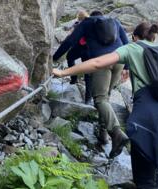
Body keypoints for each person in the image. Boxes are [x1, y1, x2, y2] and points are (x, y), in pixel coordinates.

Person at [52, 22, 158, 188]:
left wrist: (63, 72)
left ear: (135, 37)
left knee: (143, 178)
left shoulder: (132, 48)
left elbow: (97, 63)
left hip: (146, 118)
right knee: (153, 170)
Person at [53, 10, 130, 158]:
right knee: (105, 97)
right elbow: (126, 43)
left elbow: (70, 41)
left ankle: (117, 133)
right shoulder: (114, 21)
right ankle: (103, 135)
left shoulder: (86, 23)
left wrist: (55, 58)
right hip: (118, 60)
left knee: (100, 99)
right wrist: (127, 67)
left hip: (101, 62)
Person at [62, 10, 92, 104]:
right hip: (89, 50)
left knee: (70, 58)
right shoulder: (92, 24)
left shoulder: (77, 24)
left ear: (78, 17)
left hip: (79, 49)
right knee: (88, 73)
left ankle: (74, 78)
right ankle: (88, 98)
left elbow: (70, 36)